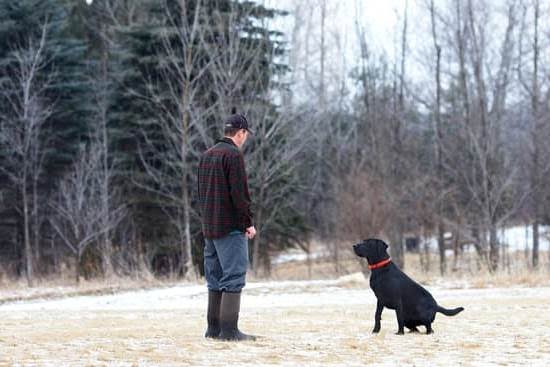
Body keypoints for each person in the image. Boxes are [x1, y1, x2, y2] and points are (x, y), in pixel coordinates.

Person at [197, 109, 257, 341]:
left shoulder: (207, 154)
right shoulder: (232, 156)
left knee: (214, 278)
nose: (245, 138)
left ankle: (214, 329)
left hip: (209, 228)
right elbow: (239, 195)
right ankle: (230, 331)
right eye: (246, 134)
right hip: (230, 228)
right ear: (240, 133)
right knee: (233, 277)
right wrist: (248, 223)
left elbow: (201, 193)